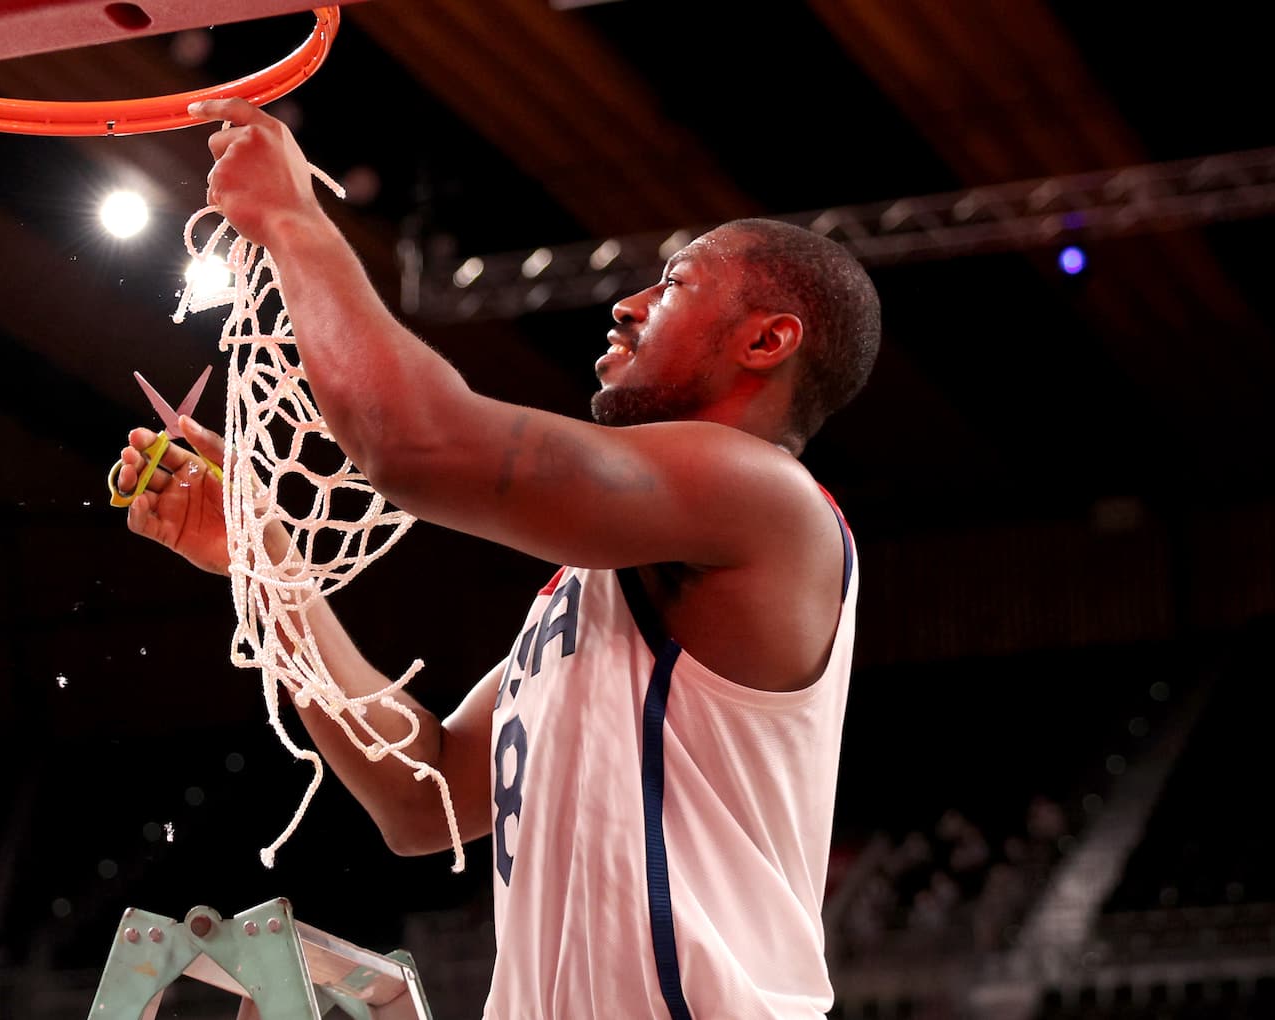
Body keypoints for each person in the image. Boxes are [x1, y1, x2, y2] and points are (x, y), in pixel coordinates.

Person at [113, 97, 880, 1019]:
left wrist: (292, 219)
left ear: (767, 340)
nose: (626, 304)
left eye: (672, 284)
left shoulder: (767, 499)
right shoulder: (594, 594)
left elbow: (417, 445)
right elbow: (421, 796)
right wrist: (263, 563)